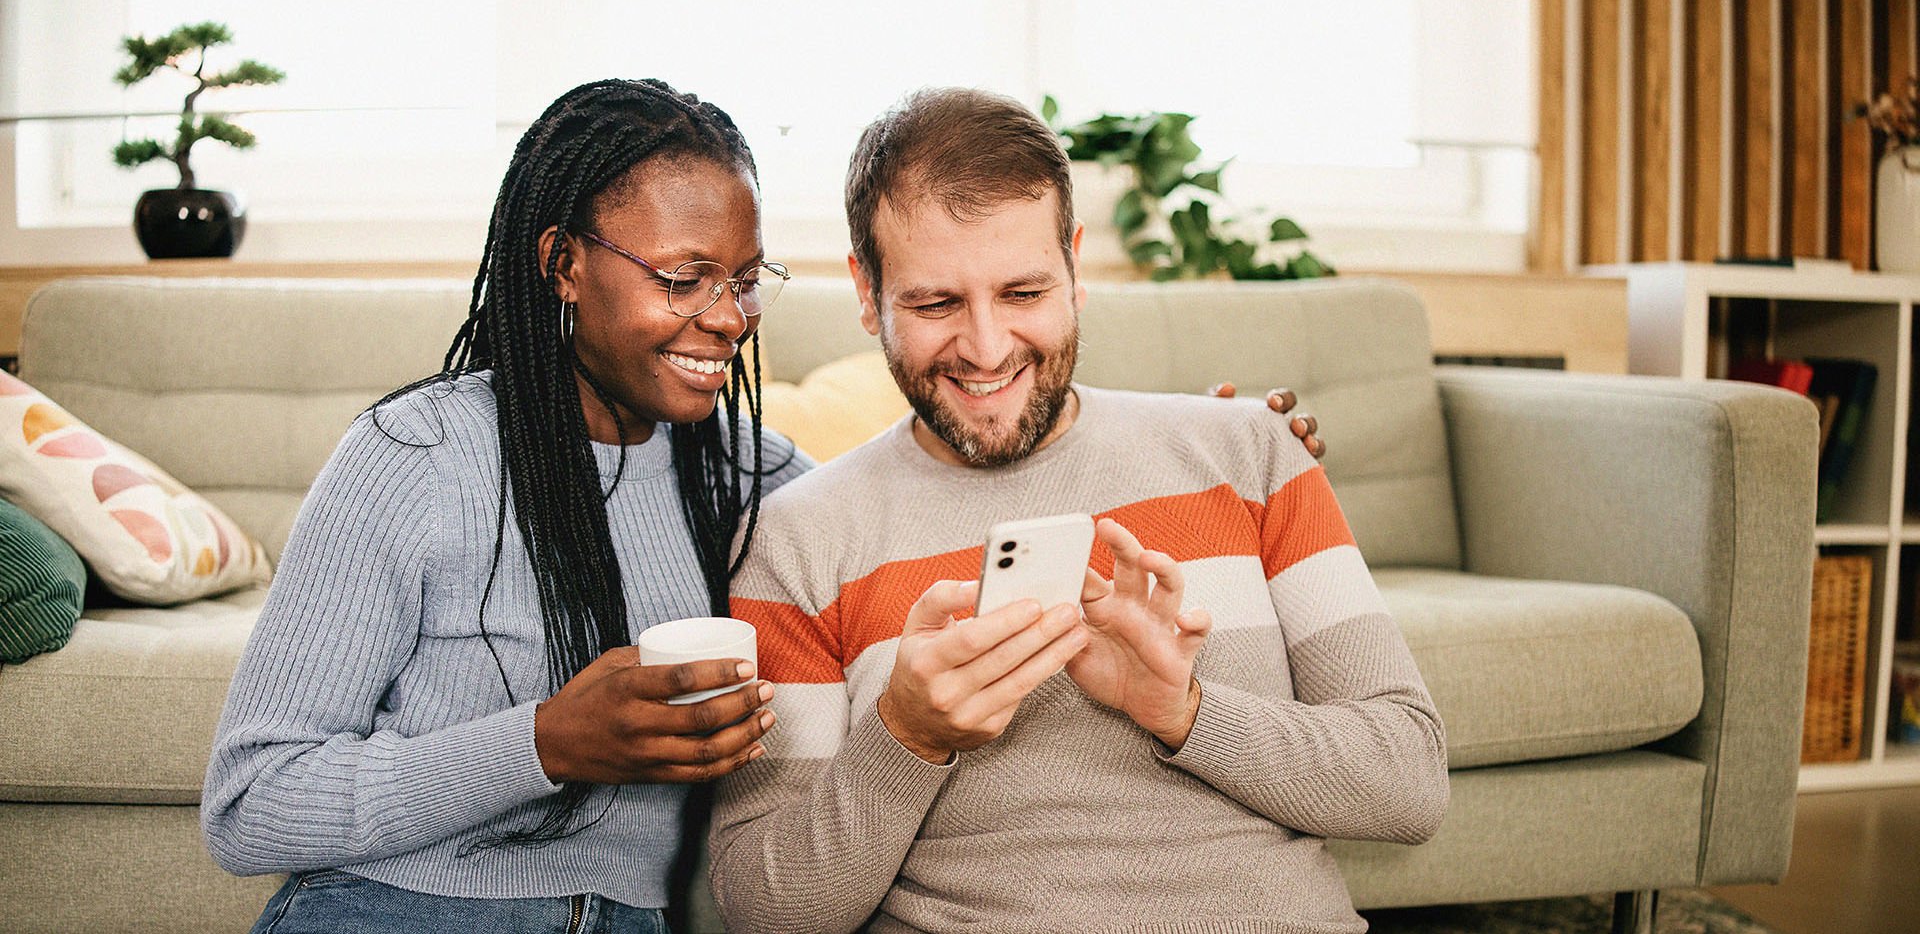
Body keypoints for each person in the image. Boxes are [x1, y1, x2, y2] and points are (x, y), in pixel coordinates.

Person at [202, 78, 1321, 933]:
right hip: (405, 912)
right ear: (560, 264)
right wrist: (548, 741)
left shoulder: (757, 485)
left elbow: (955, 498)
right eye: (682, 279)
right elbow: (252, 804)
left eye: (743, 280)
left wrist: (1205, 450)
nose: (727, 320)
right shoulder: (416, 455)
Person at [708, 87, 1449, 934]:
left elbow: (1410, 784)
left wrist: (1184, 711)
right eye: (935, 304)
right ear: (867, 291)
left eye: (1023, 293)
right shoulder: (792, 541)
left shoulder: (1253, 453)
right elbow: (768, 912)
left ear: (1075, 266)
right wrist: (905, 738)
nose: (987, 350)